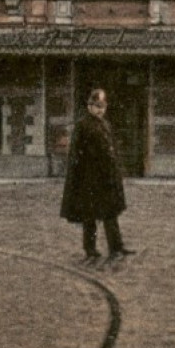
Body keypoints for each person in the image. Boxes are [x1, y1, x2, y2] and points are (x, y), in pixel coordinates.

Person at [59, 89, 130, 263]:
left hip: (107, 178)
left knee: (110, 213)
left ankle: (116, 247)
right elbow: (76, 154)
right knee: (89, 216)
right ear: (89, 106)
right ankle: (90, 250)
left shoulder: (105, 125)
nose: (100, 110)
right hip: (90, 179)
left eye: (103, 106)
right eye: (97, 106)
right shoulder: (82, 126)